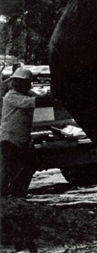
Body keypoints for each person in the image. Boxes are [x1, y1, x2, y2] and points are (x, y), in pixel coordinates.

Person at [0, 67, 50, 197]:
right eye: (25, 82)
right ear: (17, 83)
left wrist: (50, 95)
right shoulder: (11, 96)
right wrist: (51, 95)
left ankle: (17, 193)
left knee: (30, 164)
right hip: (9, 139)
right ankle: (4, 196)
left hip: (22, 139)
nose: (28, 85)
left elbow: (41, 98)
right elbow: (35, 101)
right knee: (7, 170)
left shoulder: (26, 93)